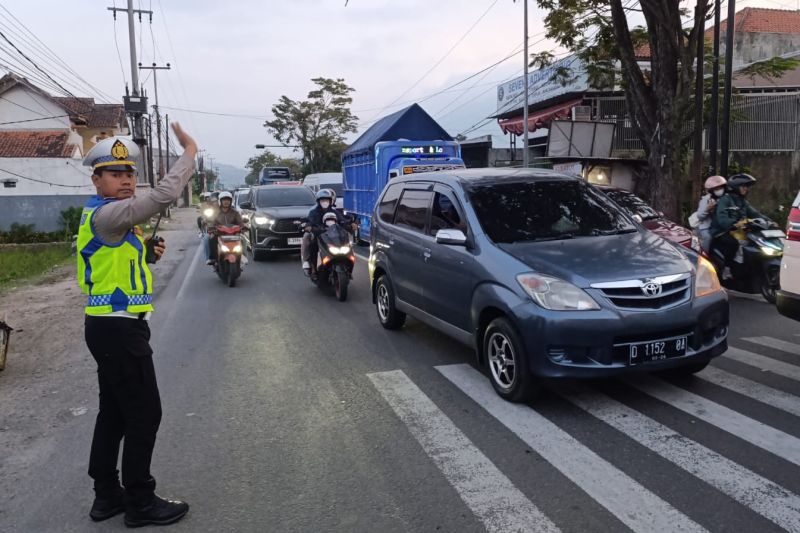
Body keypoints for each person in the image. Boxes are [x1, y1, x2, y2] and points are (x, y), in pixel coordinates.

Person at [77, 124, 197, 527]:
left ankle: (106, 496)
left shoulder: (107, 219)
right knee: (145, 414)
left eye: (129, 173)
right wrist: (189, 154)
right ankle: (140, 502)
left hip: (108, 326)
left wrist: (144, 255)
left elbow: (112, 267)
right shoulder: (110, 213)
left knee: (113, 414)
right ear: (96, 180)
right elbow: (163, 196)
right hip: (118, 331)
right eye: (115, 173)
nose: (126, 180)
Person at [711, 173, 772, 275]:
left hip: (738, 230)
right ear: (735, 187)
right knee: (733, 244)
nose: (746, 189)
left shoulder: (742, 201)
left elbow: (755, 213)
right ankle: (727, 268)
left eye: (747, 187)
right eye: (743, 186)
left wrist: (769, 221)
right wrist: (734, 224)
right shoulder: (725, 200)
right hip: (722, 231)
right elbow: (722, 219)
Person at [301, 189, 340, 277]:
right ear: (319, 201)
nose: (325, 202)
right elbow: (309, 221)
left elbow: (343, 220)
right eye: (322, 200)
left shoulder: (335, 212)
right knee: (311, 242)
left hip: (333, 236)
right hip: (319, 235)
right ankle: (312, 267)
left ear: (330, 201)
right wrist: (309, 227)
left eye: (326, 200)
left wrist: (351, 223)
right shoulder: (314, 212)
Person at [205, 191, 245, 265]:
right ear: (220, 201)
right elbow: (211, 222)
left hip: (233, 235)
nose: (226, 202)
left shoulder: (235, 213)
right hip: (219, 233)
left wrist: (243, 227)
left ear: (231, 201)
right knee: (210, 239)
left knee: (243, 239)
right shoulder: (215, 212)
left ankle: (243, 256)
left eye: (228, 200)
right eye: (224, 200)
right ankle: (212, 258)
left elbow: (240, 223)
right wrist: (211, 228)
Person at [694, 175, 726, 252]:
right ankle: (703, 254)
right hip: (706, 226)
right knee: (708, 237)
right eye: (716, 189)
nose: (719, 190)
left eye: (721, 187)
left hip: (719, 225)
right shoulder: (706, 200)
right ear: (711, 190)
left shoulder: (725, 198)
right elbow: (700, 216)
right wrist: (707, 209)